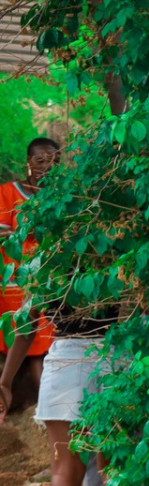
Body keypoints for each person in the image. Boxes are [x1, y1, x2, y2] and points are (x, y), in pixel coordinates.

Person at [0, 291, 139, 486]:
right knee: (115, 466)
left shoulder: (50, 265)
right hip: (115, 356)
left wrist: (5, 382)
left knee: (64, 472)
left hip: (66, 360)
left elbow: (26, 327)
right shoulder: (116, 260)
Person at [0, 136, 58, 410]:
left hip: (48, 280)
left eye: (53, 161)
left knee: (43, 346)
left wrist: (21, 231)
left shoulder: (61, 196)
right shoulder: (7, 193)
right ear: (28, 162)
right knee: (30, 342)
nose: (47, 166)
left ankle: (44, 412)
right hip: (15, 283)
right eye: (40, 160)